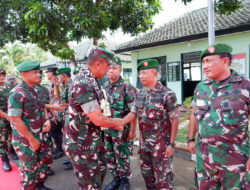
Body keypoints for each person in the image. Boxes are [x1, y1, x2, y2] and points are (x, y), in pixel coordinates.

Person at [187, 43, 250, 190]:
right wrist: (190, 139)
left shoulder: (244, 86)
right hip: (205, 158)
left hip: (235, 159)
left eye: (209, 61)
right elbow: (194, 114)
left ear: (225, 61)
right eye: (203, 62)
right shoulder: (201, 87)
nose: (205, 66)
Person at [62, 47, 124, 190]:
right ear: (98, 64)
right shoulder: (83, 84)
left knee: (98, 176)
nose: (108, 70)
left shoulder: (91, 80)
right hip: (81, 145)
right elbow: (97, 119)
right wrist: (117, 122)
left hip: (91, 141)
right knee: (90, 185)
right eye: (107, 66)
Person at [122, 59, 180, 190]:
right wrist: (120, 122)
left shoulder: (167, 94)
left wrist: (171, 144)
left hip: (162, 148)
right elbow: (133, 113)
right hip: (144, 148)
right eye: (140, 74)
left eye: (144, 73)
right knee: (148, 180)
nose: (140, 76)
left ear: (154, 74)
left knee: (164, 182)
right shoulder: (140, 93)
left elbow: (175, 120)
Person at [8, 61, 53, 190]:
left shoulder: (38, 90)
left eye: (39, 72)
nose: (39, 75)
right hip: (25, 139)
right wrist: (31, 139)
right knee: (30, 169)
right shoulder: (16, 93)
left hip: (41, 134)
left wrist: (47, 120)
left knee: (46, 161)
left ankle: (39, 185)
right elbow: (15, 120)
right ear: (24, 74)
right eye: (35, 72)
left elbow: (42, 107)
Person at [103, 56, 137, 190]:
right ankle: (116, 178)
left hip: (122, 130)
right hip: (107, 130)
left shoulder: (127, 87)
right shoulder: (105, 87)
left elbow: (134, 112)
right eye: (109, 68)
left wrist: (133, 130)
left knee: (122, 155)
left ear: (120, 70)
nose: (111, 71)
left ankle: (125, 181)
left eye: (114, 68)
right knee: (110, 155)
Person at [56, 67, 73, 170]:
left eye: (59, 76)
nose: (59, 78)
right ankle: (71, 158)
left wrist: (65, 105)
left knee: (71, 140)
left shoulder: (71, 86)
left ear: (64, 75)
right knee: (68, 140)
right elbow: (60, 99)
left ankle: (74, 161)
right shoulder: (65, 86)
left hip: (71, 117)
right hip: (66, 116)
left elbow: (72, 104)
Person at [46, 67, 64, 160]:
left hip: (56, 111)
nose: (46, 74)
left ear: (52, 73)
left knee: (56, 133)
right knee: (55, 133)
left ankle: (60, 150)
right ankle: (59, 148)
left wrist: (54, 115)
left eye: (47, 72)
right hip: (53, 111)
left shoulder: (56, 84)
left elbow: (58, 98)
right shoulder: (51, 84)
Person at [0, 68, 12, 172]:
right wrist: (7, 116)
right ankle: (4, 159)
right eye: (0, 75)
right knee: (2, 139)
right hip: (1, 117)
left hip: (12, 115)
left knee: (14, 135)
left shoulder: (9, 86)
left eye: (3, 74)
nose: (2, 76)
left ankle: (12, 151)